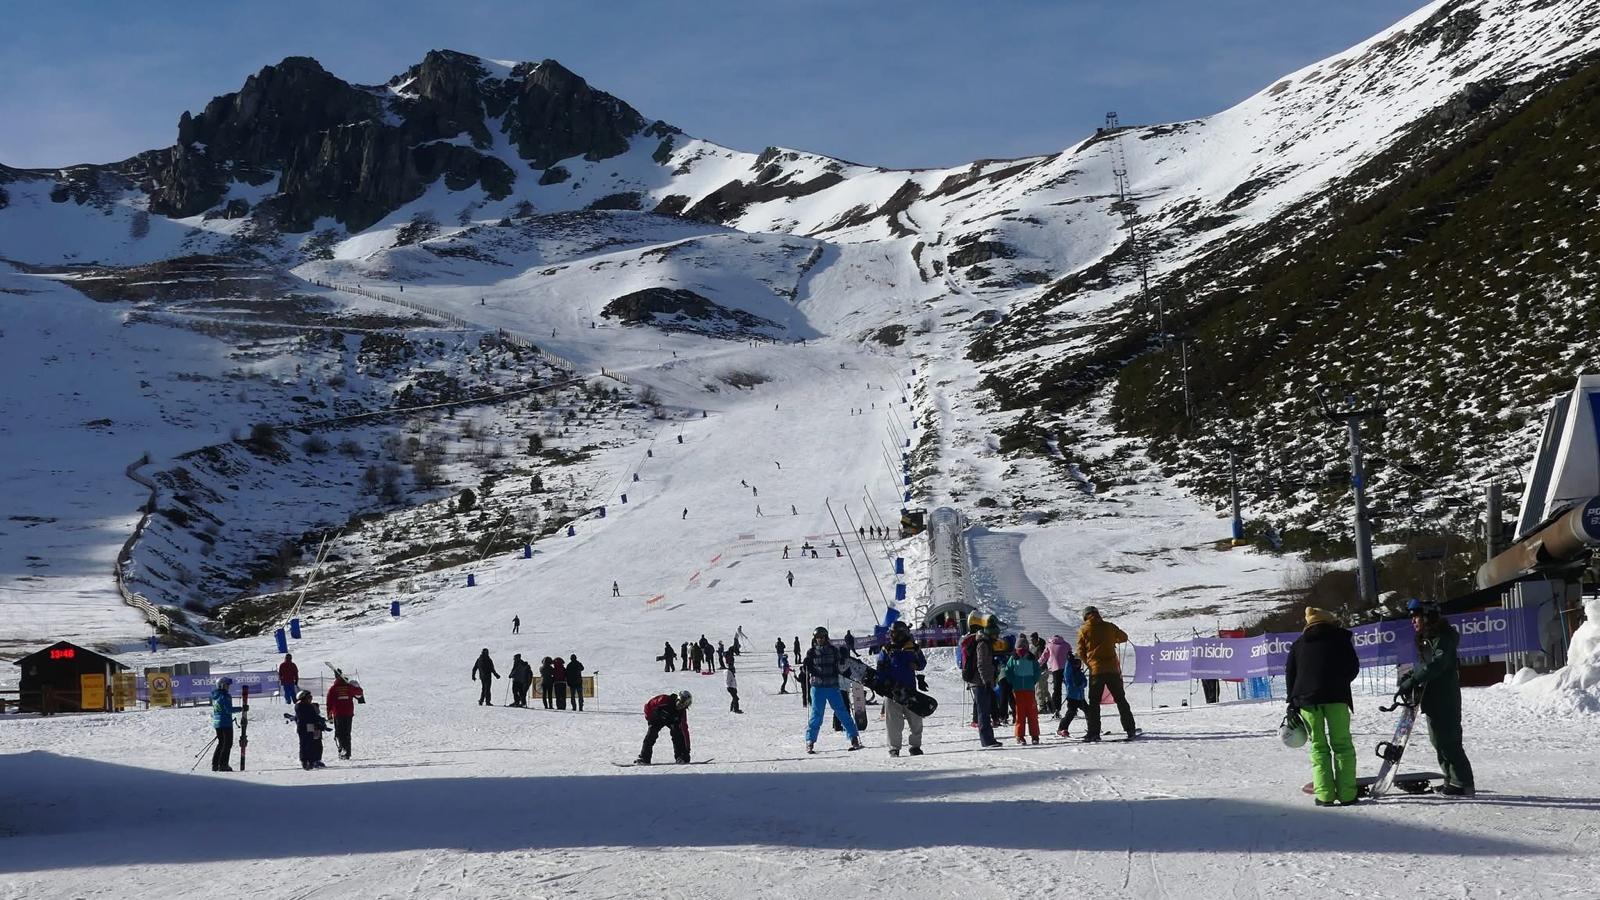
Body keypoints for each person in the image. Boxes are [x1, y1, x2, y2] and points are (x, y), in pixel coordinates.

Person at [1398, 598, 1476, 797]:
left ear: (1427, 616)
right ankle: (1450, 779)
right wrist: (1410, 676)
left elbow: (1436, 665)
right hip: (1432, 697)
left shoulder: (1443, 637)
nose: (1413, 622)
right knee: (1438, 741)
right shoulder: (1428, 638)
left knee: (1449, 741)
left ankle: (1462, 782)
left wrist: (1414, 680)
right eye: (1412, 618)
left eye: (1416, 617)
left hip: (1444, 697)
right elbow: (1425, 665)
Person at [1287, 607, 1360, 806]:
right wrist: (1340, 682)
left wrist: (1291, 702)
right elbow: (1353, 667)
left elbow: (1290, 675)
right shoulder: (1340, 639)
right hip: (1337, 698)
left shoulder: (1299, 644)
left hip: (1307, 701)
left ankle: (1325, 795)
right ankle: (1347, 794)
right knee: (1342, 745)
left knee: (1318, 747)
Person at [1077, 606, 1137, 742]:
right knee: (1121, 700)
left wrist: (1089, 664)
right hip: (1112, 670)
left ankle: (1094, 733)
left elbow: (1080, 652)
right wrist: (1111, 641)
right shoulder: (1109, 626)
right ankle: (1130, 729)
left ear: (1085, 616)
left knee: (1094, 703)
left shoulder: (1083, 630)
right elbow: (1124, 637)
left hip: (1096, 671)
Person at [803, 627, 862, 753]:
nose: (819, 640)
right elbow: (806, 669)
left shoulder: (833, 651)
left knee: (842, 712)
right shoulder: (811, 652)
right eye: (817, 638)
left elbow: (841, 664)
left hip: (832, 686)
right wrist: (806, 666)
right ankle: (810, 741)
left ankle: (853, 737)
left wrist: (843, 658)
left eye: (821, 637)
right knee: (816, 715)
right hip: (818, 688)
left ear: (826, 637)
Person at [876, 621, 927, 757]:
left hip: (910, 690)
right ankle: (894, 748)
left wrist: (915, 666)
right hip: (892, 691)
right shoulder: (886, 649)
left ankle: (915, 746)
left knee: (916, 721)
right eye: (891, 633)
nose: (892, 635)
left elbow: (922, 663)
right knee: (893, 722)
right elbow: (880, 668)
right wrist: (884, 682)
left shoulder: (913, 648)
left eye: (895, 633)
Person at [960, 615, 1003, 748]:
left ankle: (989, 739)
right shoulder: (983, 644)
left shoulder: (983, 642)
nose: (997, 637)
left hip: (980, 681)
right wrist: (987, 681)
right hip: (980, 682)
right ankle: (987, 740)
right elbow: (982, 664)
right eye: (996, 634)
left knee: (985, 710)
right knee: (983, 712)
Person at [1002, 639, 1044, 744]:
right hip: (1018, 690)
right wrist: (1013, 681)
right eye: (1019, 648)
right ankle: (1019, 736)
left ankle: (1035, 735)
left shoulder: (1031, 658)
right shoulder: (1013, 658)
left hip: (1029, 689)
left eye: (1023, 648)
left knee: (1032, 714)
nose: (1021, 650)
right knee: (1020, 714)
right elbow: (1008, 670)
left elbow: (1037, 670)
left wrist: (1033, 680)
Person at [636, 691, 693, 765]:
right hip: (657, 718)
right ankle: (644, 758)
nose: (680, 707)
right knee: (651, 735)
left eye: (684, 706)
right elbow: (648, 706)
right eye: (680, 703)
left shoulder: (681, 712)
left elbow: (684, 730)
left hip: (672, 720)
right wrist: (649, 718)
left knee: (678, 734)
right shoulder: (664, 699)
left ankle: (681, 757)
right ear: (677, 700)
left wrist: (687, 750)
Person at [326, 672, 365, 760]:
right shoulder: (349, 687)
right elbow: (359, 692)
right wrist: (356, 686)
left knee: (340, 734)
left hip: (338, 714)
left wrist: (329, 715)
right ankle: (347, 752)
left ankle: (343, 751)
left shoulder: (333, 688)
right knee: (347, 733)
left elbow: (329, 703)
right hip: (348, 714)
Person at [292, 690, 331, 770]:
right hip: (304, 728)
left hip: (311, 727)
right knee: (305, 745)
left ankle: (313, 760)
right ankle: (305, 761)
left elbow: (314, 716)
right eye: (309, 697)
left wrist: (320, 721)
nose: (310, 699)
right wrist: (317, 722)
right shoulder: (300, 706)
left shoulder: (308, 706)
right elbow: (308, 717)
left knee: (314, 744)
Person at [1056, 649, 1091, 737]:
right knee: (1071, 713)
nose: (1078, 664)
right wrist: (1069, 660)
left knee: (1089, 711)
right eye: (1076, 663)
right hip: (1072, 697)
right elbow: (1067, 674)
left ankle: (1092, 727)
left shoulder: (1080, 672)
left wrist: (1082, 684)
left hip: (1081, 697)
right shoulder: (1069, 672)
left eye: (1079, 663)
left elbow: (1085, 682)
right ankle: (1062, 729)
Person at [210, 676, 239, 772]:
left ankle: (215, 764)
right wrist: (241, 708)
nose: (228, 687)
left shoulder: (215, 696)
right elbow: (228, 710)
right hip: (225, 723)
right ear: (221, 685)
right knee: (227, 744)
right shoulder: (224, 696)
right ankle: (223, 764)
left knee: (221, 743)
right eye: (227, 685)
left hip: (217, 722)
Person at [1042, 634, 1070, 715]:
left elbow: (1044, 657)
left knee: (1057, 690)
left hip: (1055, 669)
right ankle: (1072, 708)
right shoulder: (1066, 644)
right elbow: (1070, 655)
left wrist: (1036, 665)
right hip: (1066, 668)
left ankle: (1056, 709)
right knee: (1070, 688)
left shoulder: (1049, 645)